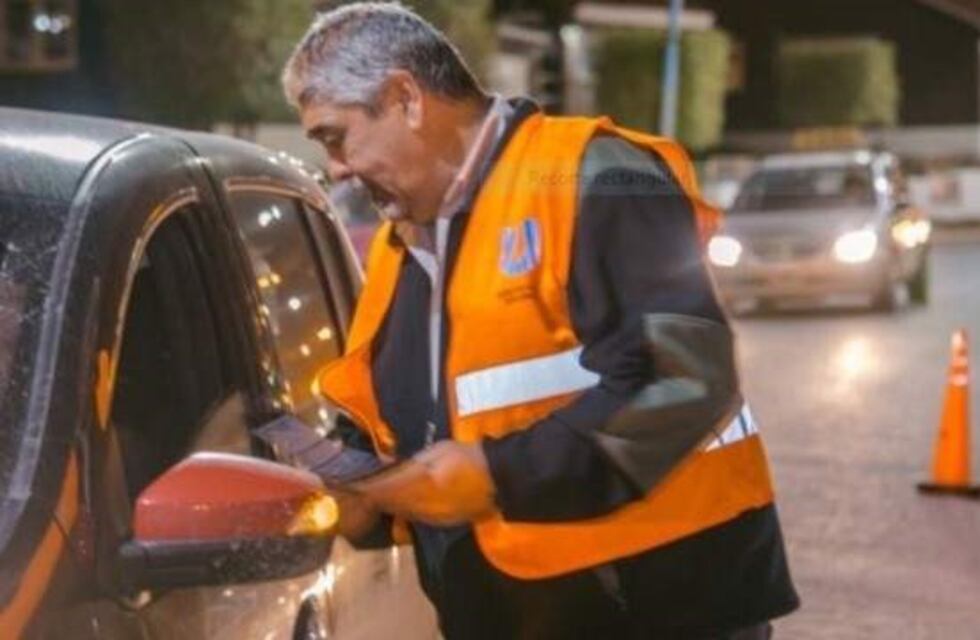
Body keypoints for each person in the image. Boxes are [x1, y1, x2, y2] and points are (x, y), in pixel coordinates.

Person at [283, 3, 799, 638]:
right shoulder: (404, 248)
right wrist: (362, 491)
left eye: (335, 135)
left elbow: (687, 376)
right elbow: (419, 419)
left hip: (660, 610)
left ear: (404, 99)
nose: (335, 167)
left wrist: (499, 475)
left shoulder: (597, 175)